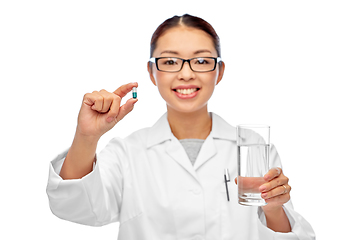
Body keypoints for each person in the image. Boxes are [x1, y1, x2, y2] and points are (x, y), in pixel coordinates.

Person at [46, 14, 315, 239]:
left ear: (219, 72)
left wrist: (274, 209)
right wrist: (86, 137)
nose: (186, 74)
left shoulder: (252, 146)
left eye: (201, 61)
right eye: (171, 61)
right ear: (152, 73)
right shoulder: (127, 152)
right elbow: (73, 208)